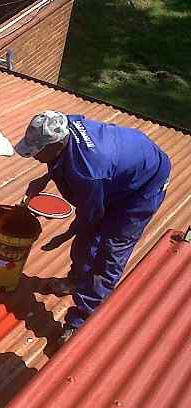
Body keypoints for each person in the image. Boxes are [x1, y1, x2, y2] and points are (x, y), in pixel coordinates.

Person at [16, 111, 171, 343]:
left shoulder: (88, 172)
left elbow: (92, 216)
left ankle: (80, 320)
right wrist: (45, 178)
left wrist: (63, 235)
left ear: (57, 144)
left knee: (110, 252)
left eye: (39, 150)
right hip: (121, 166)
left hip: (146, 184)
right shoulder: (63, 123)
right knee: (86, 240)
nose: (35, 155)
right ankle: (76, 280)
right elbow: (61, 156)